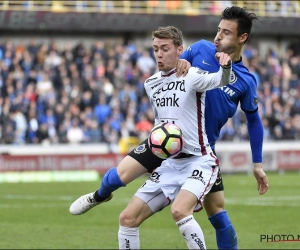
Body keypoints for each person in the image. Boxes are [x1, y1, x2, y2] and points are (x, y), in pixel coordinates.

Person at [69, 6, 269, 249]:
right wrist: (182, 61)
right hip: (166, 140)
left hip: (200, 148)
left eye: (226, 33)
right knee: (121, 175)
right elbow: (177, 61)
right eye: (218, 30)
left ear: (242, 38)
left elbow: (254, 121)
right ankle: (99, 196)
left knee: (216, 212)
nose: (218, 37)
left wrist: (257, 164)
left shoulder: (246, 81)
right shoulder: (203, 49)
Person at [119, 25, 232, 249]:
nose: (159, 54)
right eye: (155, 49)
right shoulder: (150, 84)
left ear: (179, 50)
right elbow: (161, 124)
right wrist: (156, 154)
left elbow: (222, 80)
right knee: (127, 219)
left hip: (199, 160)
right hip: (169, 164)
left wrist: (226, 66)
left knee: (180, 210)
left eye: (165, 48)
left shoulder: (192, 76)